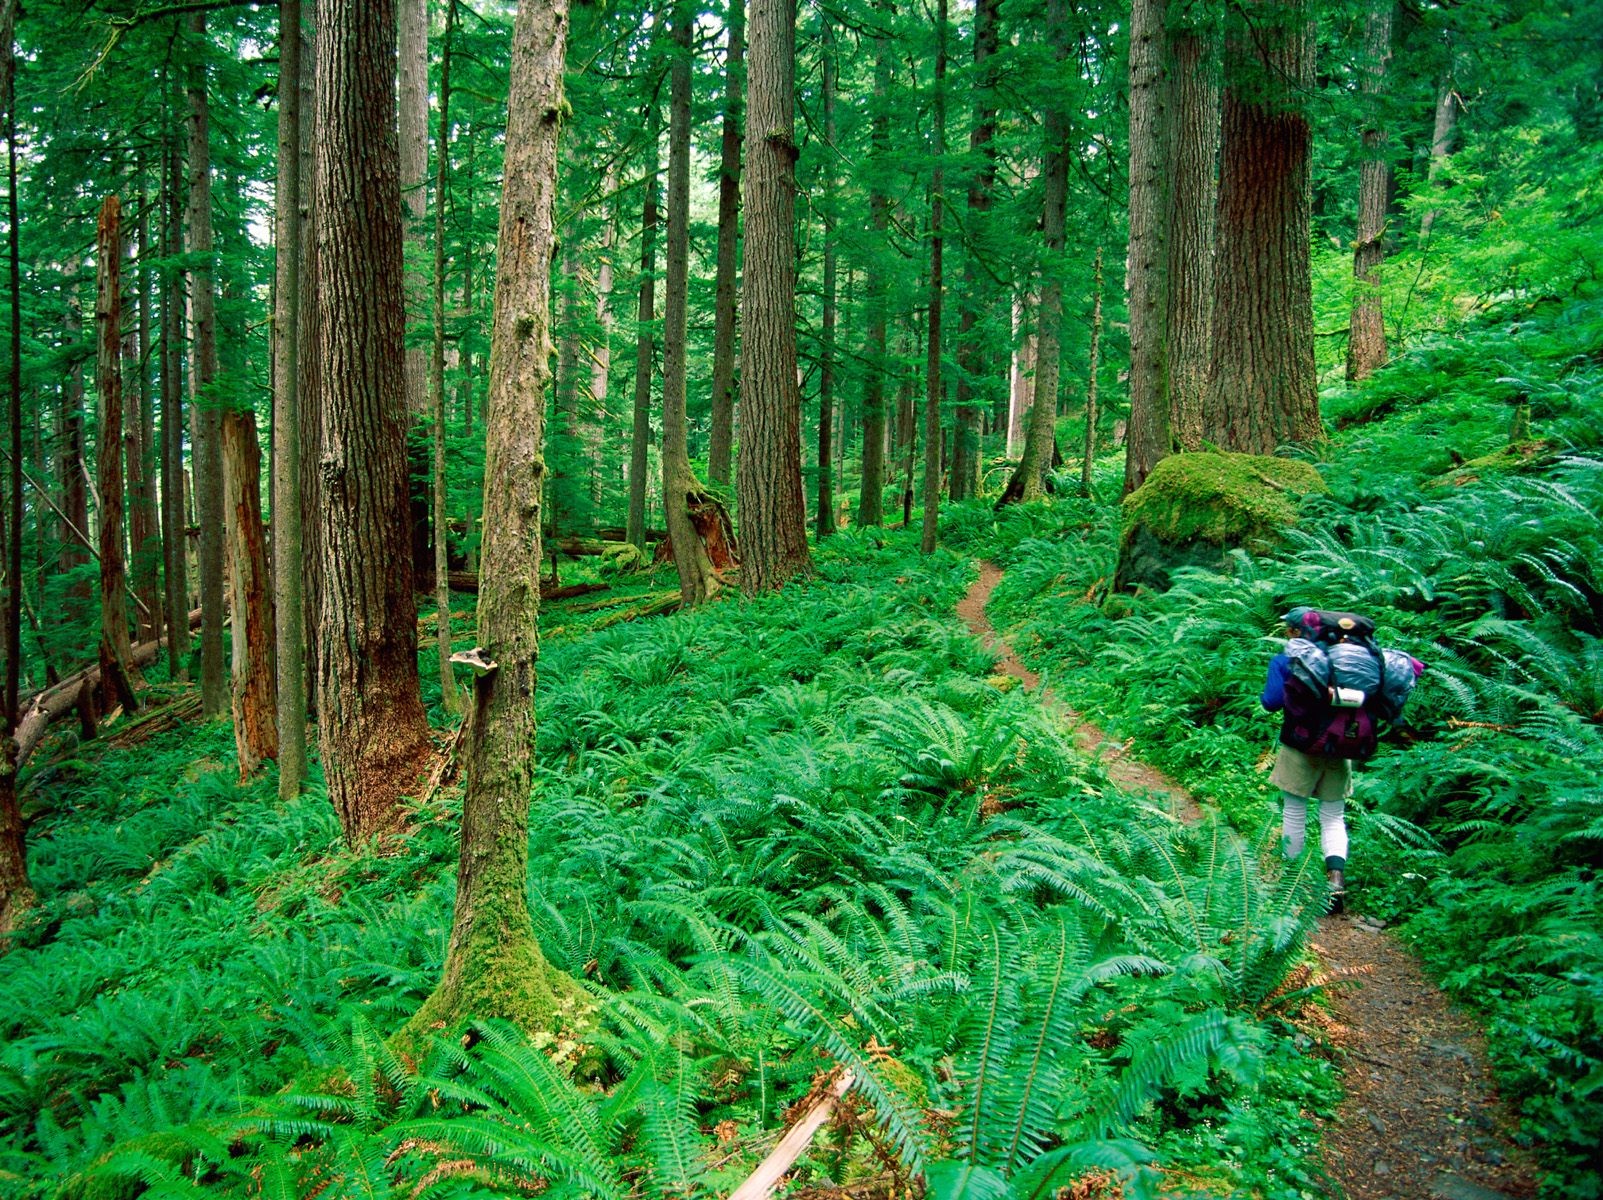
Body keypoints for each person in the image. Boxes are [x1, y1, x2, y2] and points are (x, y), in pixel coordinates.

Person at [1261, 612, 1351, 908]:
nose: (1286, 632)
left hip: (1299, 745)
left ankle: (1290, 883)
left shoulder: (1285, 661)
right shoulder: (1346, 659)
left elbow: (1270, 702)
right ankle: (1335, 881)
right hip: (1339, 746)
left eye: (1289, 628)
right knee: (1334, 816)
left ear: (1297, 631)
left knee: (1295, 812)